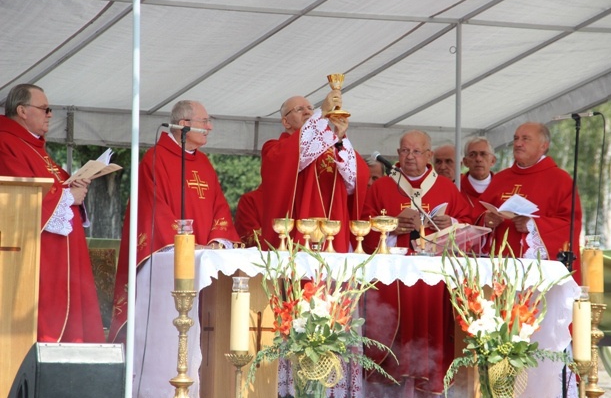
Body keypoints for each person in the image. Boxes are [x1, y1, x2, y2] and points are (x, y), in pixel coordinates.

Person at [108, 100, 240, 343]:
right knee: (169, 333)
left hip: (203, 260)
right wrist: (185, 244)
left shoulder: (204, 163)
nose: (210, 127)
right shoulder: (155, 159)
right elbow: (153, 210)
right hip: (169, 259)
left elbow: (219, 205)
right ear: (184, 124)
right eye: (205, 121)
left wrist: (215, 243)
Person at [361, 130, 473, 398]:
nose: (409, 157)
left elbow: (469, 227)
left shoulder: (447, 188)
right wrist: (391, 226)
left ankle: (427, 390)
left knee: (429, 336)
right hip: (392, 282)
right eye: (404, 151)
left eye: (416, 152)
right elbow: (363, 231)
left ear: (429, 155)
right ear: (397, 154)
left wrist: (452, 224)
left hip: (432, 280)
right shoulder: (382, 187)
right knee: (390, 337)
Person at [0, 83, 104, 343]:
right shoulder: (6, 143)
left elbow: (54, 187)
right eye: (45, 109)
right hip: (37, 255)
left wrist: (76, 185)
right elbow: (19, 198)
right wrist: (69, 196)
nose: (50, 115)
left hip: (62, 251)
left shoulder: (35, 147)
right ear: (22, 110)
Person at [260, 90, 369, 253]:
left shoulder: (332, 146)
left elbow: (355, 182)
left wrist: (339, 139)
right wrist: (322, 113)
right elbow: (297, 153)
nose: (307, 112)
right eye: (299, 109)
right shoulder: (274, 147)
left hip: (334, 228)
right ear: (286, 122)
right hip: (298, 227)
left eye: (310, 108)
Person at [480, 122, 582, 281]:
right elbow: (476, 215)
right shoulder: (500, 178)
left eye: (525, 139)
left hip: (538, 274)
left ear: (543, 145)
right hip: (499, 270)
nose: (518, 144)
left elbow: (571, 225)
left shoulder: (560, 180)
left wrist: (533, 225)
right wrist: (486, 220)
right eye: (516, 139)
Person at [460, 136, 497, 218]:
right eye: (472, 155)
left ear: (493, 160)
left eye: (483, 154)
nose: (478, 159)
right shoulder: (456, 187)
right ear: (465, 162)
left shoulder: (502, 187)